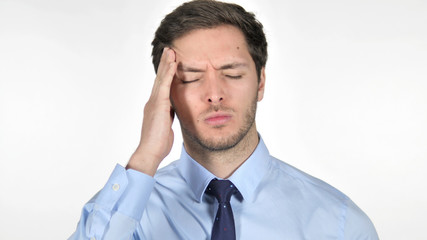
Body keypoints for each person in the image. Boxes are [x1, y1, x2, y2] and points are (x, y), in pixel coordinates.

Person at [70, 0, 379, 239]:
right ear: (165, 95)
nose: (214, 94)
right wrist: (145, 158)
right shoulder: (130, 216)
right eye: (190, 78)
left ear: (260, 83)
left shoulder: (339, 225)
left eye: (232, 74)